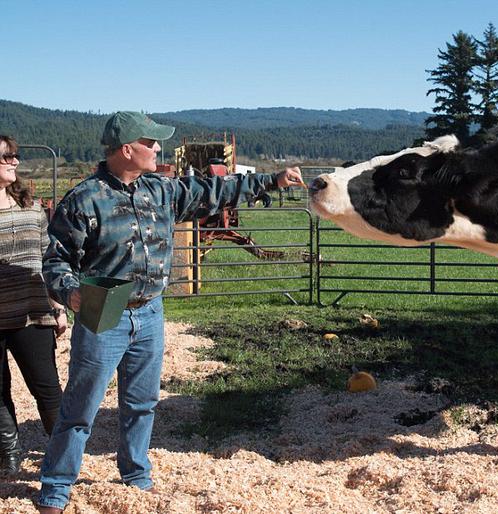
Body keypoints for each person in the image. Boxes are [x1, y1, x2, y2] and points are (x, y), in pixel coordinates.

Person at [36, 112, 305, 513]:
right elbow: (56, 261)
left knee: (142, 403)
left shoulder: (161, 190)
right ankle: (56, 489)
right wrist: (73, 295)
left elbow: (215, 189)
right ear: (127, 149)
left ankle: (135, 474)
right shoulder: (84, 198)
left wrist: (271, 180)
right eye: (152, 142)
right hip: (101, 314)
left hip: (150, 312)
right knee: (80, 409)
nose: (158, 148)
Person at [0, 135, 66, 476]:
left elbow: (48, 258)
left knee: (48, 389)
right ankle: (9, 456)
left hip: (33, 313)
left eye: (15, 156)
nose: (14, 161)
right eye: (6, 157)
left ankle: (61, 457)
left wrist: (58, 306)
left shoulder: (31, 207)